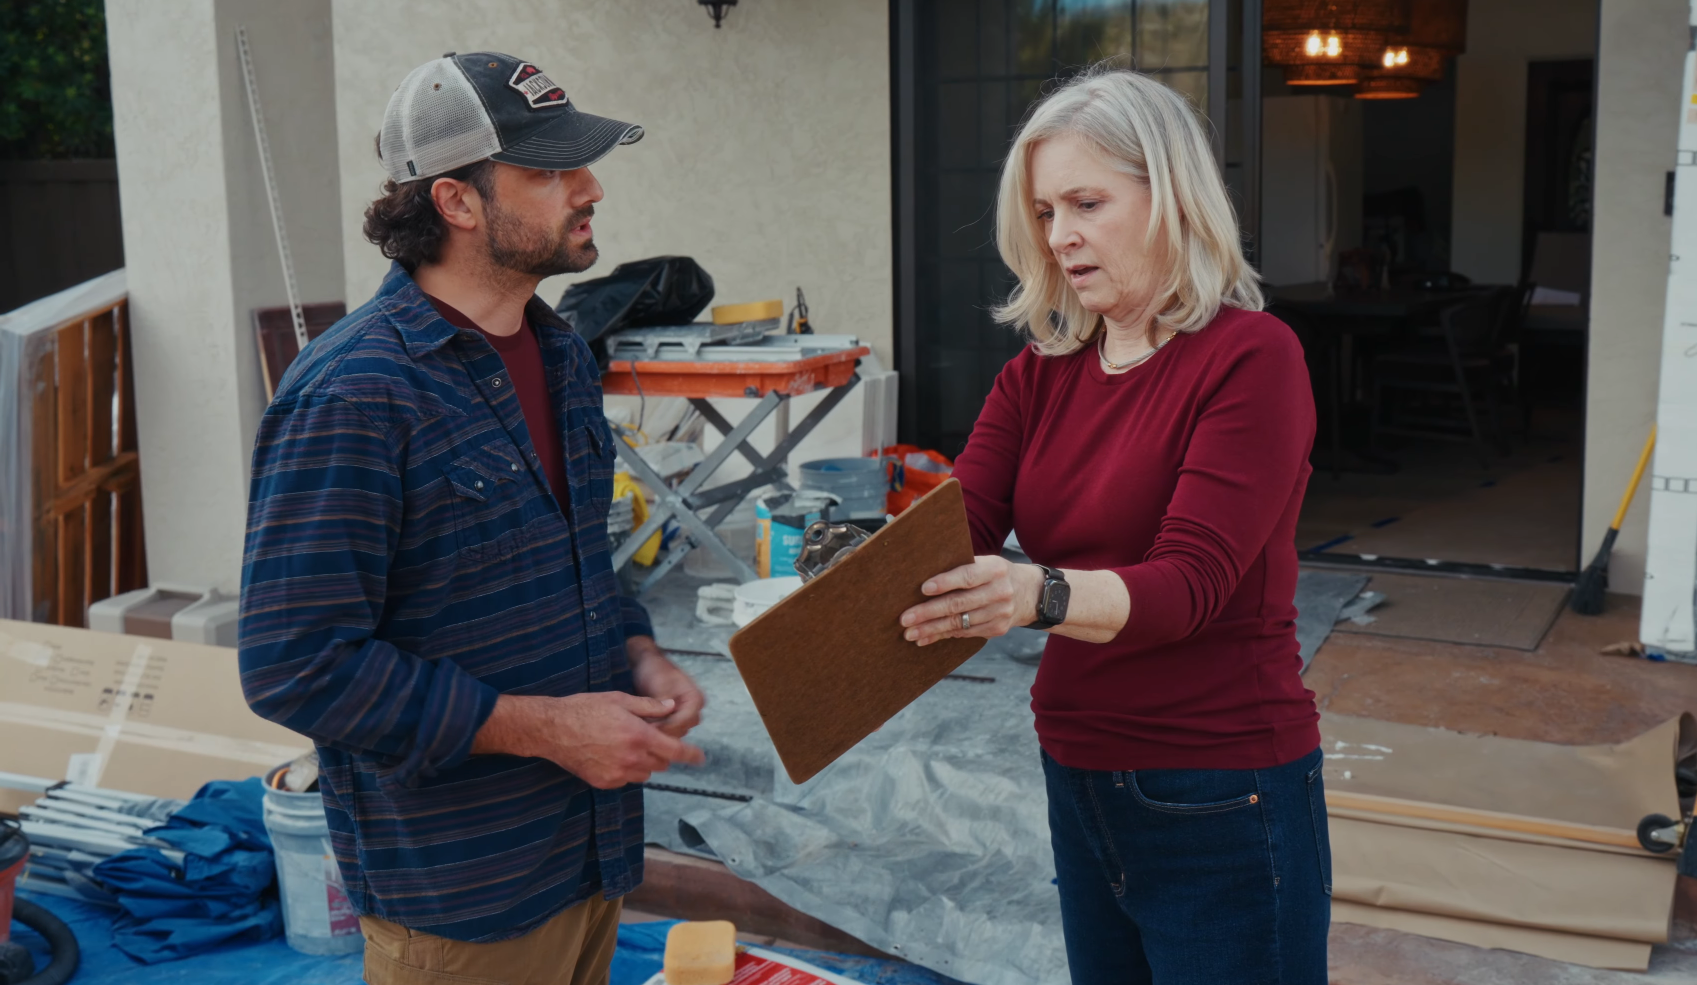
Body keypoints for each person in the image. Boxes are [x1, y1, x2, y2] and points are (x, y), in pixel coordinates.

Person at [239, 52, 706, 985]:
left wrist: (637, 647)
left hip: (592, 856)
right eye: (550, 170)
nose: (590, 188)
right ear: (456, 202)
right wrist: (547, 727)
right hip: (463, 900)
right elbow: (297, 665)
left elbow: (574, 558)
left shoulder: (561, 353)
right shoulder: (355, 392)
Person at [900, 68, 1329, 984]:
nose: (1060, 238)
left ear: (1170, 196)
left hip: (1220, 788)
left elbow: (1188, 585)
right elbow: (958, 523)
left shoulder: (1251, 357)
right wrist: (859, 567)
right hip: (1079, 770)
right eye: (1047, 212)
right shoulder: (1040, 372)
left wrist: (1032, 591)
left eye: (1087, 203)